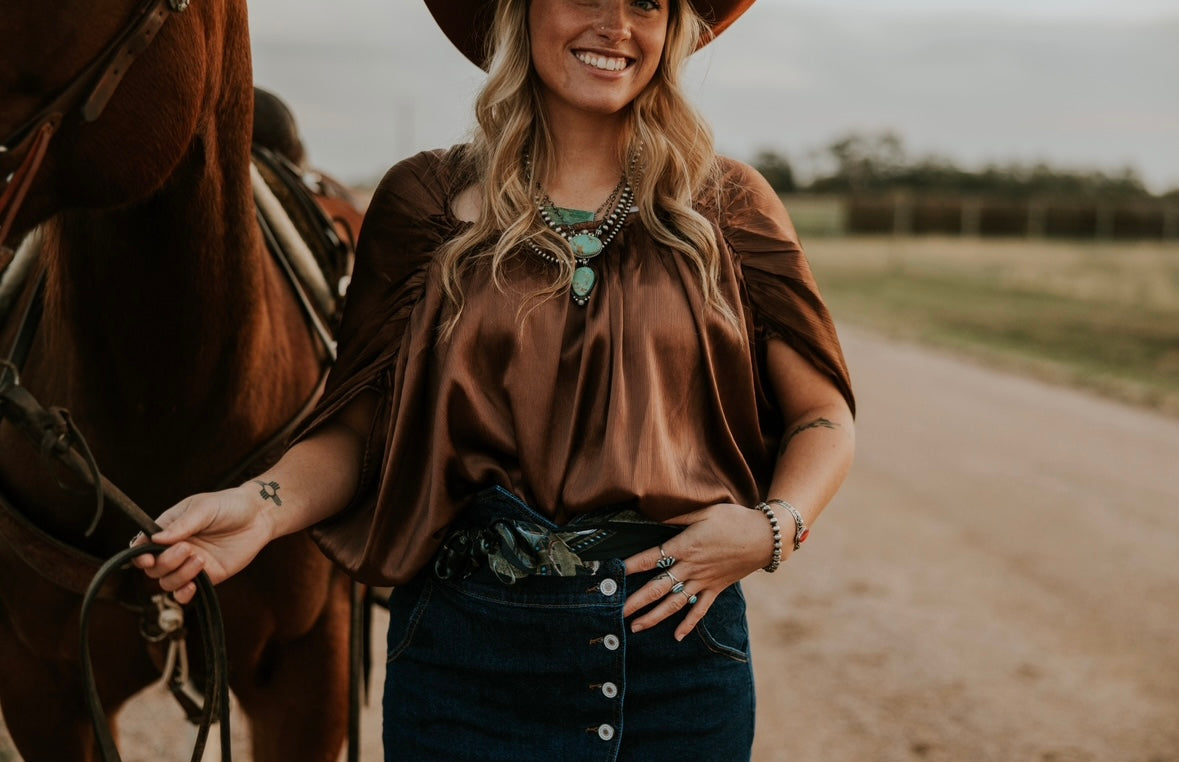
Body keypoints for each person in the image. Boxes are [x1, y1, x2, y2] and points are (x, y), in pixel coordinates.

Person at [135, 0, 855, 758]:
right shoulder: (423, 204)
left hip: (674, 656)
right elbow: (360, 434)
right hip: (465, 658)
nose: (615, 24)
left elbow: (822, 416)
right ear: (519, 12)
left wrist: (771, 528)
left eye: (645, 1)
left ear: (671, 27)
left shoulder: (729, 208)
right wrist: (258, 507)